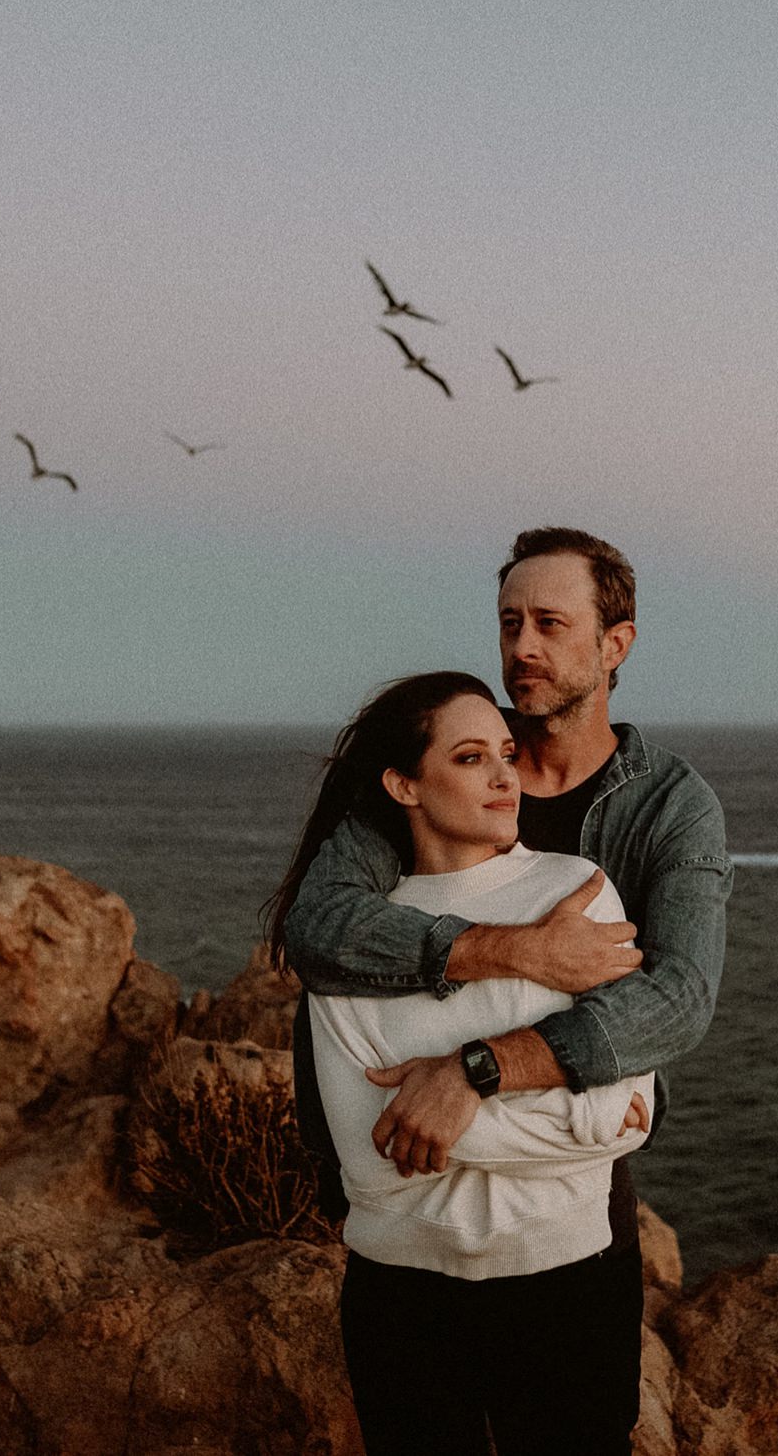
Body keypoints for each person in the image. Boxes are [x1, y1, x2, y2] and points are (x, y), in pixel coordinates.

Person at [277, 527, 733, 1431]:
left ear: (615, 644)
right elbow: (320, 928)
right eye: (509, 621)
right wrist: (513, 950)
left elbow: (676, 1000)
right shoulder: (444, 765)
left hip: (571, 1195)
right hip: (404, 1220)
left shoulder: (668, 808)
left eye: (551, 624)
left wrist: (476, 1071)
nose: (522, 646)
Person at [268, 670, 657, 1454]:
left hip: (566, 1287)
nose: (506, 775)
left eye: (507, 754)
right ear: (404, 784)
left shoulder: (578, 895)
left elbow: (624, 1114)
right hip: (401, 1299)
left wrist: (446, 1093)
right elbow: (367, 1158)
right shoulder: (356, 941)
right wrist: (562, 1122)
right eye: (472, 757)